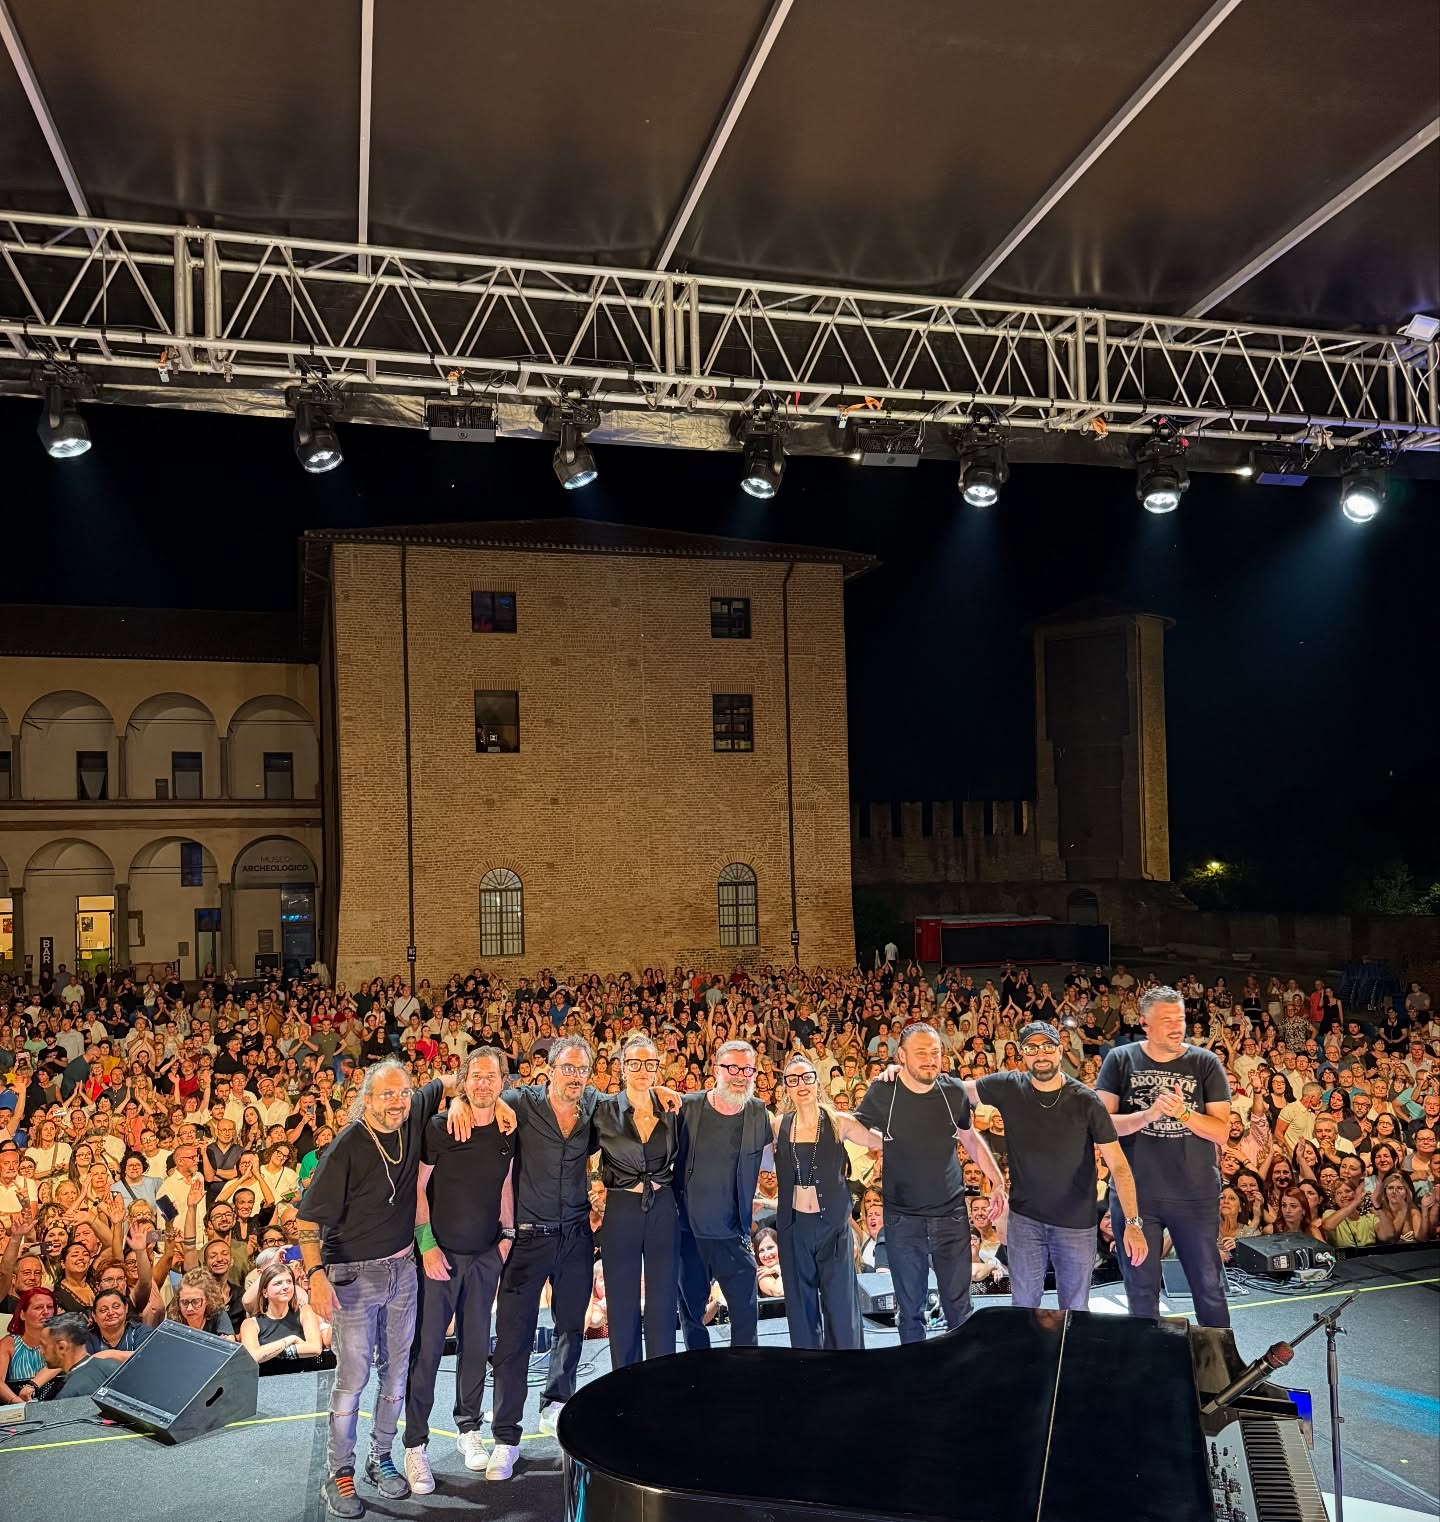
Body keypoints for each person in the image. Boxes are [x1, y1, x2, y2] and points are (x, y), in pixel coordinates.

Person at [296, 1056, 477, 1518]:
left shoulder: (413, 1113)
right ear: (367, 1098)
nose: (397, 1102)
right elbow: (306, 1223)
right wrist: (315, 1278)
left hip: (402, 1271)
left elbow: (455, 1079)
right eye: (387, 1094)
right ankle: (338, 1472)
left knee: (396, 1375)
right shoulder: (347, 1146)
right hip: (352, 1276)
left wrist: (460, 1099)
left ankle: (381, 1458)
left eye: (403, 1093)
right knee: (352, 1380)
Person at [478, 1036, 600, 1484]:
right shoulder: (520, 1102)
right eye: (567, 1068)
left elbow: (632, 1103)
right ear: (549, 1069)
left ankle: (556, 1402)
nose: (575, 1077)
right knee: (513, 1339)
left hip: (576, 1236)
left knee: (571, 1327)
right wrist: (463, 1103)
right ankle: (506, 1437)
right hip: (528, 1238)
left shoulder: (594, 1106)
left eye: (582, 1070)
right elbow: (480, 1099)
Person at [965, 1022, 1147, 1311]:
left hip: (1076, 1225)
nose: (1041, 1054)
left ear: (1061, 1050)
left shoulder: (1086, 1100)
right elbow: (956, 1090)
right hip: (1025, 1221)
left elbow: (1119, 1166)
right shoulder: (1008, 1086)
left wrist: (1134, 1224)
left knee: (1075, 1310)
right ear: (1022, 1054)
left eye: (1048, 1046)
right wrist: (903, 1074)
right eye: (1032, 1048)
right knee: (1024, 1307)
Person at [402, 1047, 514, 1494]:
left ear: (503, 1082)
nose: (484, 1084)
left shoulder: (509, 1128)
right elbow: (417, 1187)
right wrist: (426, 1244)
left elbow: (506, 1183)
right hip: (440, 1256)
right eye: (476, 1076)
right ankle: (415, 1444)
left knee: (475, 1346)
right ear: (463, 1080)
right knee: (427, 1351)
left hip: (485, 1255)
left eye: (492, 1077)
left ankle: (469, 1428)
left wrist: (506, 1238)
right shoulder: (440, 1127)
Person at [859, 1024, 1006, 1342]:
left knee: (959, 1307)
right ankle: (916, 1370)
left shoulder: (952, 1090)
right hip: (902, 1218)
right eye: (921, 1053)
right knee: (910, 1310)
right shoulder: (883, 1091)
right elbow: (855, 1130)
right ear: (901, 1056)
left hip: (950, 1215)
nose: (930, 1059)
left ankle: (960, 1367)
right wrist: (886, 1143)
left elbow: (969, 1137)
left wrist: (997, 1180)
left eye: (935, 1052)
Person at [1096, 987, 1232, 1328]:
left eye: (1180, 1019)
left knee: (1209, 1287)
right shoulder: (1120, 1059)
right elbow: (1100, 1124)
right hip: (1136, 1196)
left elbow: (1221, 1132)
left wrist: (1183, 1113)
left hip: (1195, 1194)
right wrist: (1147, 1115)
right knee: (1141, 1291)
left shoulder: (1205, 1062)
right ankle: (1149, 1357)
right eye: (1167, 1020)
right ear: (1145, 1023)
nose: (1177, 1027)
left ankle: (1220, 1358)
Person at [771, 1052, 881, 1349]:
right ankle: (809, 1367)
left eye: (807, 1077)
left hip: (832, 1226)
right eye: (793, 1080)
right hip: (794, 1226)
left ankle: (846, 1366)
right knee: (800, 1306)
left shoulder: (838, 1121)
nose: (801, 1084)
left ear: (816, 1082)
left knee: (841, 1303)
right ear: (786, 1087)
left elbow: (878, 1141)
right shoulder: (779, 1124)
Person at [676, 1041, 774, 1352]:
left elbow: (770, 1163)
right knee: (692, 1314)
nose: (740, 1075)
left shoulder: (758, 1112)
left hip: (733, 1234)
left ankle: (743, 1370)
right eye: (733, 1068)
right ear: (716, 1069)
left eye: (747, 1069)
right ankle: (700, 1369)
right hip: (689, 1233)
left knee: (746, 1313)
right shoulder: (688, 1107)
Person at [593, 1034, 680, 1369]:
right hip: (622, 1209)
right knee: (622, 1298)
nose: (642, 1070)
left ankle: (661, 1375)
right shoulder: (603, 1110)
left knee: (662, 1297)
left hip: (663, 1206)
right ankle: (626, 1377)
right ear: (622, 1067)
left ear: (657, 1067)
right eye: (635, 1063)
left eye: (649, 1063)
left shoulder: (671, 1108)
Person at [240, 1261, 324, 1364]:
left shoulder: (305, 1312)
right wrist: (290, 1340)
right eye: (278, 1283)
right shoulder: (250, 1324)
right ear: (265, 1292)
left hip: (304, 1372)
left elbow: (315, 1348)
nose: (286, 1287)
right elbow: (252, 1357)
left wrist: (269, 1353)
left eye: (289, 1282)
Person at [0, 1285, 59, 1403]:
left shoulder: (60, 1341)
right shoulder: (9, 1344)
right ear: (22, 1314)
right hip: (18, 1405)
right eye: (38, 1307)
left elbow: (59, 1364)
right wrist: (18, 1403)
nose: (46, 1312)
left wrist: (33, 1385)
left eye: (49, 1307)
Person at [40, 1310, 112, 1400]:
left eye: (44, 1345)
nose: (41, 1351)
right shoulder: (114, 1367)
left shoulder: (68, 1395)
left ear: (62, 1347)